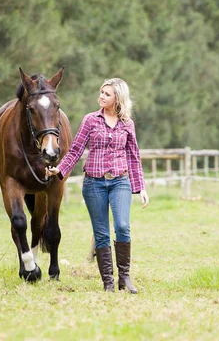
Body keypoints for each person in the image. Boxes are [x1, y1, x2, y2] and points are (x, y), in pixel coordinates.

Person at [45, 78, 149, 293]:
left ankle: (125, 278)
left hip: (120, 181)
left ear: (117, 98)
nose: (101, 96)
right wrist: (60, 170)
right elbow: (75, 150)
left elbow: (133, 156)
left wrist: (141, 188)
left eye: (107, 94)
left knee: (122, 226)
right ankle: (108, 283)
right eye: (101, 92)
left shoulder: (127, 124)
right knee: (101, 232)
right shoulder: (90, 120)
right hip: (94, 184)